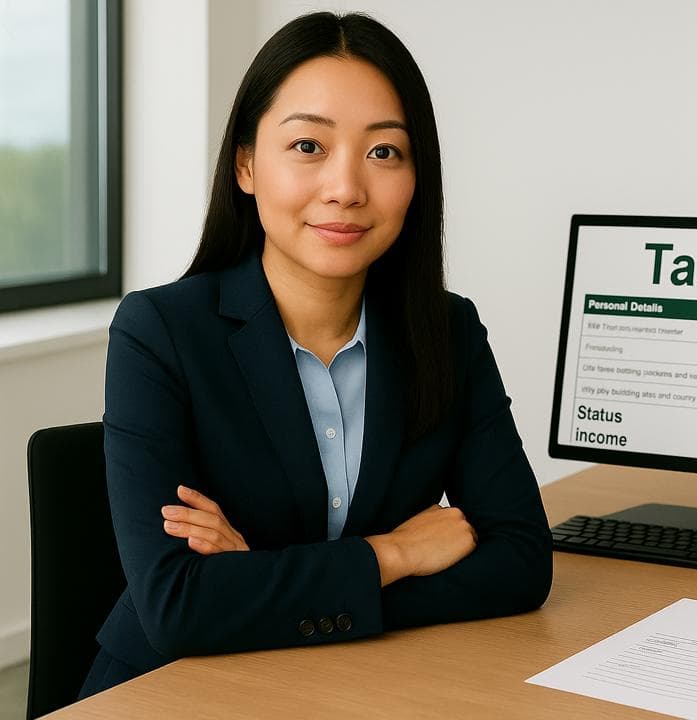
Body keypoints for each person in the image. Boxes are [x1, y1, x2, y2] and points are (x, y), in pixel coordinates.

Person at [80, 11, 552, 697]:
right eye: (308, 146)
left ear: (418, 175)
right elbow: (179, 607)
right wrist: (391, 554)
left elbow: (521, 564)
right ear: (246, 164)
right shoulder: (160, 331)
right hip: (172, 691)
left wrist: (265, 582)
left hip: (352, 686)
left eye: (384, 152)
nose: (346, 188)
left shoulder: (447, 332)